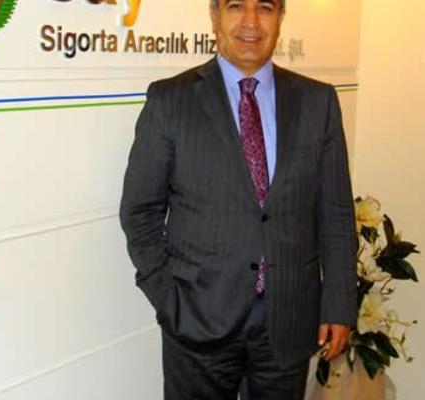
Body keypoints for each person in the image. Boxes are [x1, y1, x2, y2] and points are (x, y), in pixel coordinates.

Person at [119, 0, 357, 398]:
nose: (251, 22)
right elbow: (140, 212)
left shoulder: (318, 102)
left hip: (288, 323)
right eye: (235, 6)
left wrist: (339, 304)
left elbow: (335, 214)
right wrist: (169, 300)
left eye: (264, 7)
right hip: (198, 323)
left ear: (280, 18)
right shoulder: (171, 100)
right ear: (215, 17)